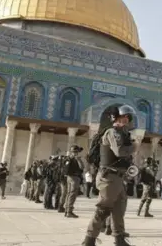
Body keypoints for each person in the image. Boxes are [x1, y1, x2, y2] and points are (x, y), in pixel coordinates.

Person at [82, 105, 137, 246]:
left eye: (128, 118)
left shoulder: (122, 133)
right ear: (116, 118)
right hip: (109, 178)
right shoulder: (112, 132)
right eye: (124, 117)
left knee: (119, 209)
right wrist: (134, 147)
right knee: (103, 209)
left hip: (118, 178)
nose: (127, 120)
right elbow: (119, 151)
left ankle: (119, 239)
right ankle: (89, 240)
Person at [64, 145, 84, 218]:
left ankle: (67, 211)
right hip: (74, 178)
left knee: (69, 194)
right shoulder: (75, 159)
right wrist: (79, 160)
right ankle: (69, 211)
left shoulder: (68, 158)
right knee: (72, 194)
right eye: (77, 151)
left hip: (69, 177)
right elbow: (82, 167)